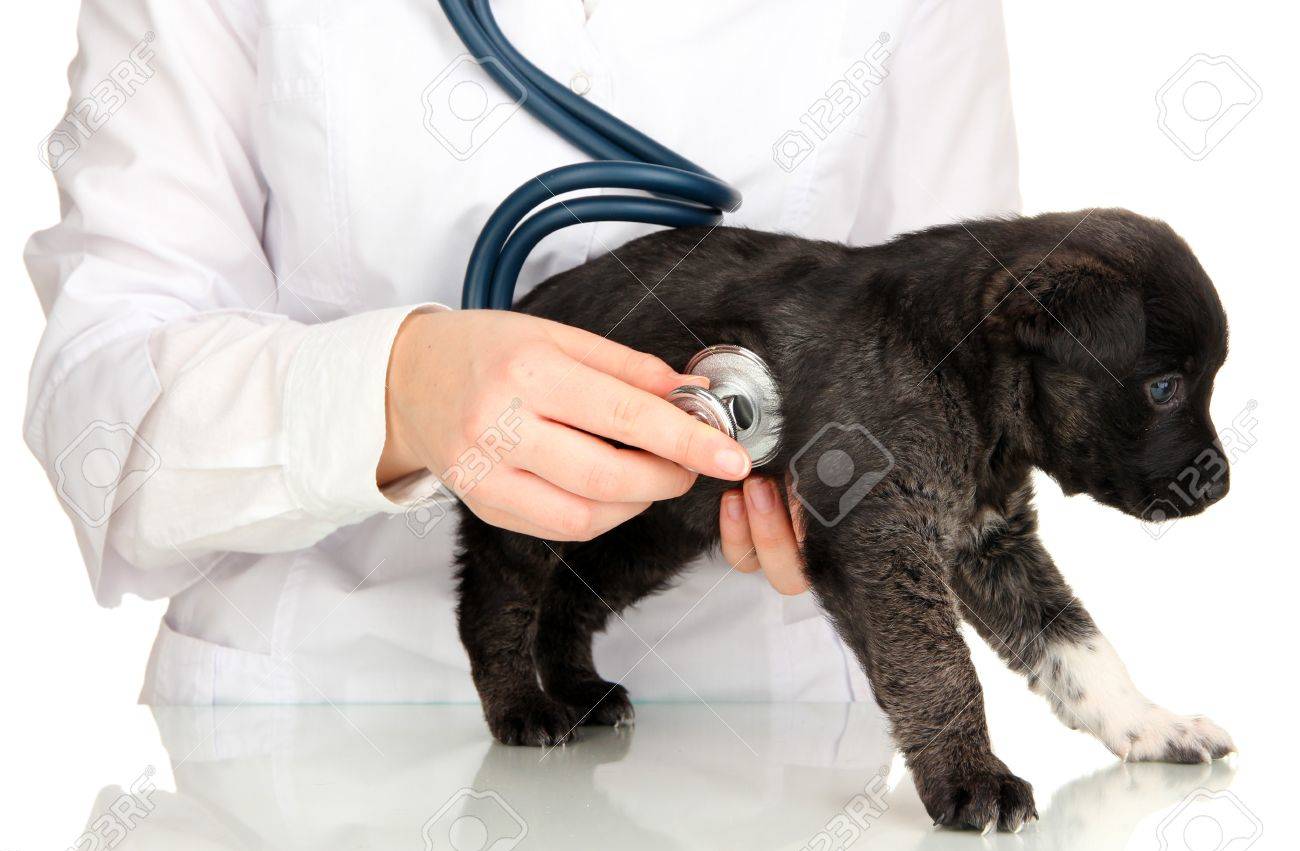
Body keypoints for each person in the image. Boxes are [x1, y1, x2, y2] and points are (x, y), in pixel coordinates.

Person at [25, 0, 1019, 705]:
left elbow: (965, 357)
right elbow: (100, 422)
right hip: (319, 731)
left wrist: (870, 493)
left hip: (757, 743)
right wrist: (398, 395)